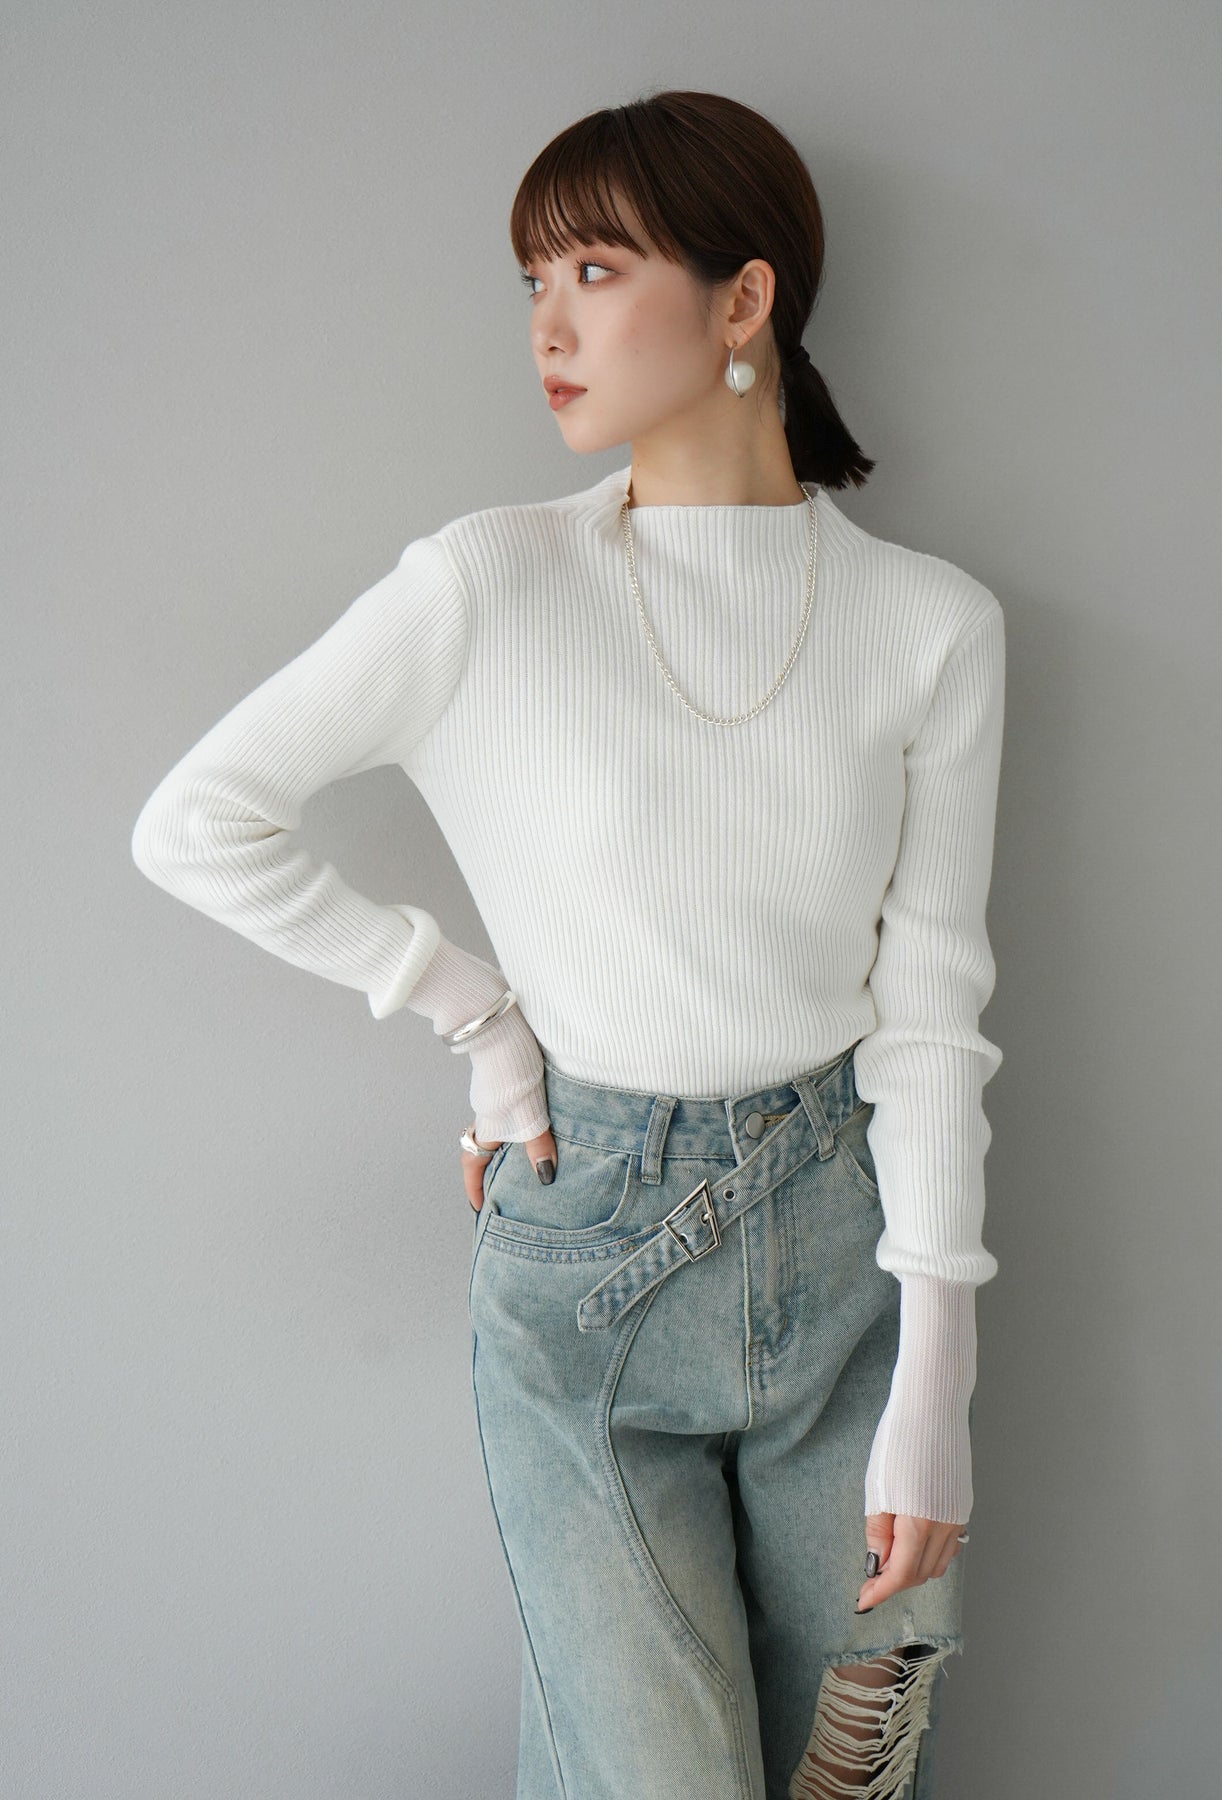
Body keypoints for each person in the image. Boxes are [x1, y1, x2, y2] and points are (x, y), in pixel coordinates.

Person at [130, 89, 1005, 1800]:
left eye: (595, 271)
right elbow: (198, 824)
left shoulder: (930, 623)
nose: (547, 325)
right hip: (587, 1250)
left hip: (855, 1246)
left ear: (743, 301)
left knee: (853, 1774)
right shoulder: (487, 585)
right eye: (534, 279)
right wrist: (470, 1011)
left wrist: (940, 1385)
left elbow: (933, 1016)